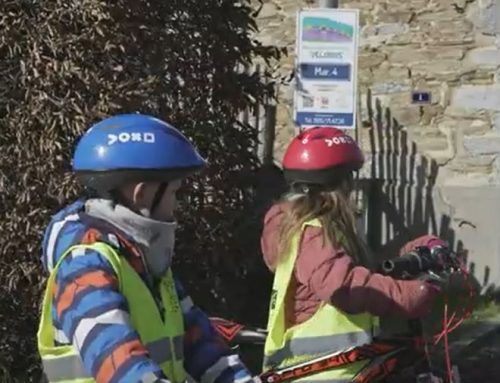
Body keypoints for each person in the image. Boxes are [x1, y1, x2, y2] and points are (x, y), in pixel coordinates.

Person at [37, 114, 256, 383]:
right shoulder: (85, 266)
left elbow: (200, 342)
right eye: (175, 193)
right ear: (142, 194)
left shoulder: (145, 262)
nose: (177, 207)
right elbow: (121, 366)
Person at [260, 126, 447, 381]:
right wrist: (412, 295)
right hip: (321, 371)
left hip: (337, 367)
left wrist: (413, 253)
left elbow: (353, 270)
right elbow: (345, 285)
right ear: (341, 183)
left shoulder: (305, 227)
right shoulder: (311, 234)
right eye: (350, 178)